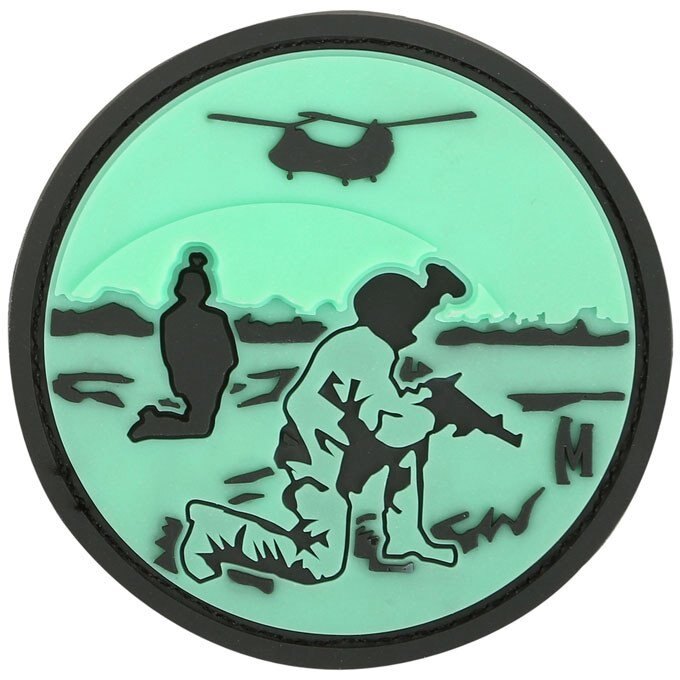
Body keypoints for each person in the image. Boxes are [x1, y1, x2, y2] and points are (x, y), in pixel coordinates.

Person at [181, 263, 467, 584]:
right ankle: (215, 532)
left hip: (333, 449)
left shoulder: (360, 343)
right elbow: (384, 419)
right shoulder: (367, 349)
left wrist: (413, 408)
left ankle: (404, 536)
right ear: (391, 317)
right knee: (317, 563)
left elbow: (376, 409)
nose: (415, 327)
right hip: (315, 459)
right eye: (411, 317)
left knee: (408, 448)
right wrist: (428, 412)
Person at [128, 251, 238, 442]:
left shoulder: (172, 317)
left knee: (199, 423)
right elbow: (225, 354)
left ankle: (153, 422)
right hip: (205, 377)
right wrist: (220, 371)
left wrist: (180, 377)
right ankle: (152, 424)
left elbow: (173, 354)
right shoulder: (212, 318)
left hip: (197, 376)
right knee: (201, 426)